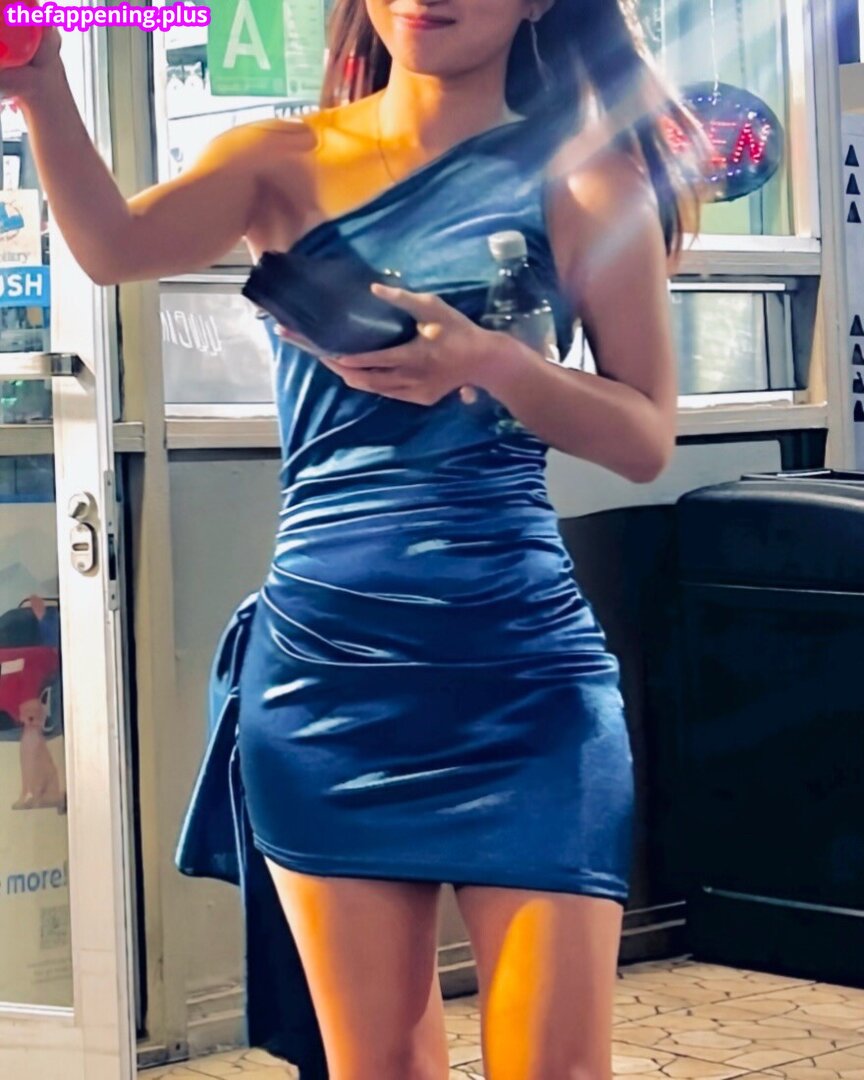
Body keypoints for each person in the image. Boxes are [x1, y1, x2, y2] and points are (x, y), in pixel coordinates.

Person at [4, 2, 706, 1077]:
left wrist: (492, 362)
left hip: (526, 683)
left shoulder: (585, 180)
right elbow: (110, 250)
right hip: (325, 680)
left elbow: (647, 437)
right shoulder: (278, 160)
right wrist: (42, 83)